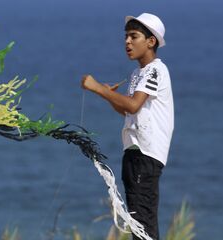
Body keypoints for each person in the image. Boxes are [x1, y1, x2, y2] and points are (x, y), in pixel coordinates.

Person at [81, 13, 173, 239]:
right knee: (137, 222)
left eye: (134, 36)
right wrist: (109, 96)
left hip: (146, 154)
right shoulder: (137, 74)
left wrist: (98, 89)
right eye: (126, 37)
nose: (127, 42)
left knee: (143, 223)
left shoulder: (155, 70)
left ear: (151, 42)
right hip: (133, 154)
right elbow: (127, 110)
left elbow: (132, 106)